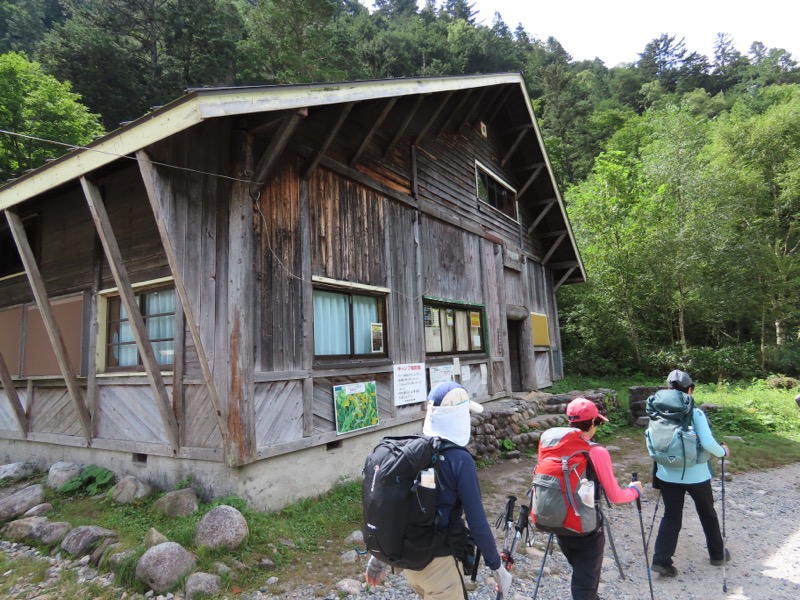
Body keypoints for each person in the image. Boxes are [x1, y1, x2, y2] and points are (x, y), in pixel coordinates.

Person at [365, 381, 512, 599]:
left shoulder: (416, 452)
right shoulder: (460, 460)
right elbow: (477, 522)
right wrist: (497, 567)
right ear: (459, 416)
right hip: (440, 566)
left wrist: (379, 557)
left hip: (414, 564)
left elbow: (396, 506)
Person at [554, 397, 643, 600]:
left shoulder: (555, 446)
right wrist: (634, 491)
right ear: (593, 423)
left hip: (558, 521)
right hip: (586, 529)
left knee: (582, 576)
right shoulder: (596, 452)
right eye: (597, 422)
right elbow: (616, 496)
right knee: (584, 588)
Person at [650, 369, 731, 577]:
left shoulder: (657, 411)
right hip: (697, 475)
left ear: (668, 388)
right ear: (690, 390)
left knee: (671, 516)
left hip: (667, 474)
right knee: (707, 513)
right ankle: (717, 554)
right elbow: (707, 442)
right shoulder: (694, 412)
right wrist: (722, 452)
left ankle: (661, 560)